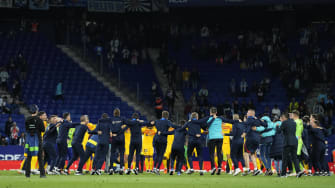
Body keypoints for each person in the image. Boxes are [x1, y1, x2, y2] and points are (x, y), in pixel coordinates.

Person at [204, 107, 237, 175]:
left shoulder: (209, 119)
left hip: (213, 138)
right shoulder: (220, 119)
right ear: (216, 112)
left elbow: (206, 126)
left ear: (210, 112)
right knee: (219, 153)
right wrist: (238, 121)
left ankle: (213, 167)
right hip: (220, 138)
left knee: (212, 154)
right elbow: (229, 121)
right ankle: (219, 167)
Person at [277, 113, 304, 178]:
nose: (281, 120)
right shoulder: (293, 122)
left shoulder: (284, 123)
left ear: (283, 117)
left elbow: (278, 131)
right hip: (294, 142)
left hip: (287, 142)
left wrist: (277, 126)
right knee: (295, 158)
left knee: (285, 158)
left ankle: (283, 174)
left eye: (281, 118)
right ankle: (298, 171)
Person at [152, 111, 179, 175]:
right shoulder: (167, 122)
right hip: (163, 140)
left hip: (156, 139)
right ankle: (157, 169)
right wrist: (180, 127)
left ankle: (154, 168)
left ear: (162, 115)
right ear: (167, 116)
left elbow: (151, 124)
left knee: (157, 154)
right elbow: (173, 127)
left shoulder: (157, 121)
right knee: (161, 155)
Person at [241, 109, 267, 176]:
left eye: (247, 112)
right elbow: (265, 125)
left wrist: (244, 133)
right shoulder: (257, 120)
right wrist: (259, 121)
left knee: (245, 153)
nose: (247, 113)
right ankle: (256, 169)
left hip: (250, 138)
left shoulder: (248, 120)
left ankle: (247, 169)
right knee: (252, 154)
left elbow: (248, 127)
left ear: (250, 114)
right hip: (257, 139)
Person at [24, 104, 46, 178]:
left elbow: (26, 129)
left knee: (29, 157)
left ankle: (27, 174)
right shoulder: (39, 120)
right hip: (38, 140)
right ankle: (42, 174)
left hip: (30, 140)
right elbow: (43, 129)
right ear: (36, 111)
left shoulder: (27, 119)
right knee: (40, 157)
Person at [109, 109, 127, 175]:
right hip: (121, 138)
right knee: (121, 153)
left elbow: (108, 127)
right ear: (119, 113)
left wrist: (111, 132)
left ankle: (111, 168)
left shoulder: (111, 119)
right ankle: (121, 168)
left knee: (112, 153)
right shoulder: (122, 119)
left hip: (114, 138)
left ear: (114, 113)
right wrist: (122, 130)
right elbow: (128, 124)